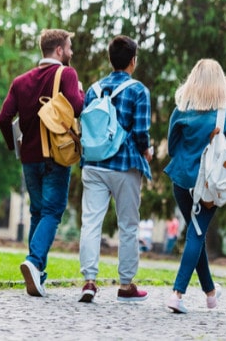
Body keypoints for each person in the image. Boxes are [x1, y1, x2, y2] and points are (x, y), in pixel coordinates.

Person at [0, 29, 85, 298]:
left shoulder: (20, 81)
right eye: (69, 47)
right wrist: (80, 93)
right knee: (52, 212)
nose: (71, 52)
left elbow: (3, 119)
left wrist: (16, 147)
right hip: (56, 157)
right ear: (58, 50)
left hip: (29, 159)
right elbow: (77, 107)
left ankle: (38, 276)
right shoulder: (66, 74)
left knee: (38, 212)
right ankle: (34, 262)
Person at [163, 59, 226, 314]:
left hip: (181, 181)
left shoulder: (181, 110)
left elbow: (170, 148)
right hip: (208, 186)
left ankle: (211, 293)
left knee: (194, 234)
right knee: (196, 235)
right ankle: (177, 295)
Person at [77, 35, 153, 304]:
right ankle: (125, 285)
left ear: (111, 59)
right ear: (133, 61)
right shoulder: (138, 90)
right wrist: (147, 150)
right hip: (124, 165)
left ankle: (88, 281)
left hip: (94, 164)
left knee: (91, 222)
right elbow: (141, 132)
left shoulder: (93, 89)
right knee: (129, 226)